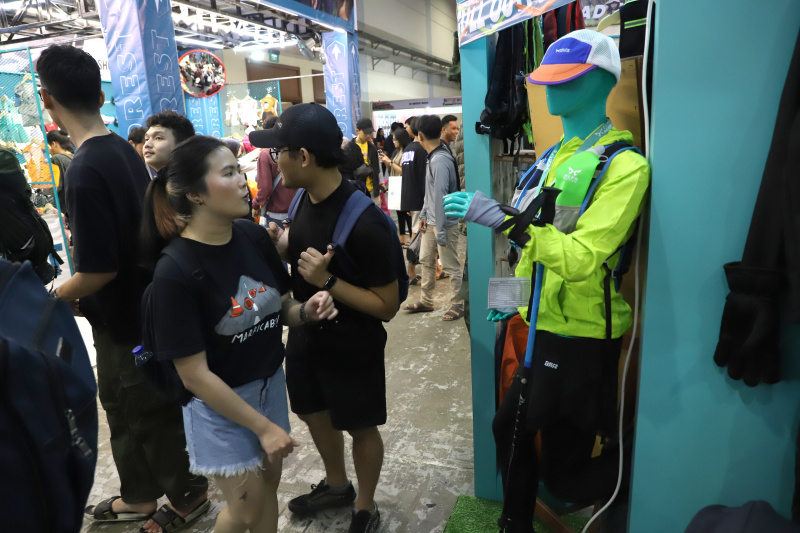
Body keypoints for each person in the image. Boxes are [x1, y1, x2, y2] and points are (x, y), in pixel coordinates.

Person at [443, 30, 650, 532]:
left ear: (601, 81)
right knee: (510, 429)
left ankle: (643, 489)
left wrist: (501, 217)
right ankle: (512, 524)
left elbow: (581, 258)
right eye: (547, 80)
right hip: (536, 324)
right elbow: (530, 252)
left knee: (564, 471)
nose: (551, 91)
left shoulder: (625, 167)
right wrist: (514, 298)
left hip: (581, 335)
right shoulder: (551, 156)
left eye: (566, 79)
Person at [36, 44, 210, 533]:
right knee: (120, 406)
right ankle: (137, 496)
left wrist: (50, 298)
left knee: (146, 410)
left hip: (129, 315)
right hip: (125, 314)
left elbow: (98, 270)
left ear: (47, 99)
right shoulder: (120, 152)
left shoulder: (88, 168)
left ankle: (188, 496)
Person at [141, 135, 339, 533]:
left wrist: (307, 311)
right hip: (218, 408)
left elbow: (279, 308)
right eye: (229, 173)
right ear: (196, 194)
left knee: (268, 488)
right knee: (245, 509)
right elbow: (194, 375)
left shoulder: (251, 237)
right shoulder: (174, 274)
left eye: (240, 170)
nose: (242, 181)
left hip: (269, 386)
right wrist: (263, 428)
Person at [250, 103, 399, 533]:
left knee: (359, 425)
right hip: (306, 335)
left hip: (353, 344)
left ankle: (365, 507)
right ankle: (338, 485)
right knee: (314, 411)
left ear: (304, 157)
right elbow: (302, 247)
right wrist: (282, 244)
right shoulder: (301, 197)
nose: (273, 160)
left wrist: (328, 281)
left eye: (279, 151)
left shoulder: (365, 220)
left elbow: (386, 306)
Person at [404, 115, 463, 321]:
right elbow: (430, 193)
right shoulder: (433, 156)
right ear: (440, 132)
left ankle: (458, 304)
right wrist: (423, 214)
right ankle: (426, 300)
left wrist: (439, 231)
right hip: (431, 220)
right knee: (426, 259)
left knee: (450, 265)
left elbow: (440, 197)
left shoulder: (439, 160)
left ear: (419, 135)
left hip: (444, 222)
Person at [399, 117, 429, 285]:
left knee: (415, 236)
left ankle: (414, 272)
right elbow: (422, 179)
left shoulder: (408, 149)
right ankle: (410, 273)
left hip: (411, 199)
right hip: (420, 201)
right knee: (418, 239)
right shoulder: (421, 150)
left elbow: (407, 178)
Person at [253, 114, 295, 227]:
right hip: (298, 209)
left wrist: (255, 204)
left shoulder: (266, 155)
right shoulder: (294, 150)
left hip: (276, 215)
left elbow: (265, 188)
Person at [380, 128, 413, 246]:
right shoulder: (396, 152)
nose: (394, 142)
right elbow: (391, 169)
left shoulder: (407, 152)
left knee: (406, 211)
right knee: (399, 211)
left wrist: (390, 162)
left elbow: (403, 171)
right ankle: (402, 238)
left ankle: (412, 239)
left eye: (395, 140)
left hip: (404, 184)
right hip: (395, 183)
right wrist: (385, 161)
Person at [341, 117, 382, 206]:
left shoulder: (372, 147)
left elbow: (377, 168)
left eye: (370, 133)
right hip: (358, 192)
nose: (368, 135)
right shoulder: (349, 148)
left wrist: (379, 186)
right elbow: (346, 172)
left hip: (372, 190)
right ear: (357, 131)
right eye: (366, 133)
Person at [143, 110, 196, 175]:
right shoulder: (156, 184)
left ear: (182, 145)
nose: (147, 144)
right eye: (147, 139)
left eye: (158, 138)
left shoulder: (195, 183)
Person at [46, 129, 74, 216]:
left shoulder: (56, 158)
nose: (49, 151)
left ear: (54, 144)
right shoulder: (75, 156)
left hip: (65, 208)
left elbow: (55, 187)